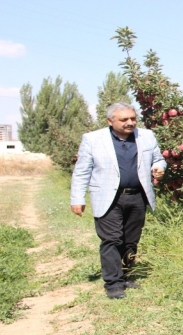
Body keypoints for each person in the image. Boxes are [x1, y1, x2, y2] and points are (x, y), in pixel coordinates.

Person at [70, 102, 166, 299]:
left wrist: (159, 166)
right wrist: (77, 198)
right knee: (112, 239)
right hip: (108, 196)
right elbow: (81, 171)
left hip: (138, 195)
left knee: (131, 240)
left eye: (133, 118)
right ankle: (113, 284)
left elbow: (158, 158)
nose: (130, 123)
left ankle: (126, 276)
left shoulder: (146, 136)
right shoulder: (93, 139)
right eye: (124, 120)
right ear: (110, 121)